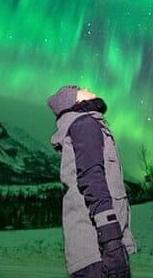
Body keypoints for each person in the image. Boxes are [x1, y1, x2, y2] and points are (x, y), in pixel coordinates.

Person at [47, 85, 136, 278]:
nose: (86, 87)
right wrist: (111, 239)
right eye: (78, 88)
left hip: (96, 250)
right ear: (74, 101)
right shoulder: (85, 123)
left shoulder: (86, 124)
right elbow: (92, 179)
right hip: (98, 252)